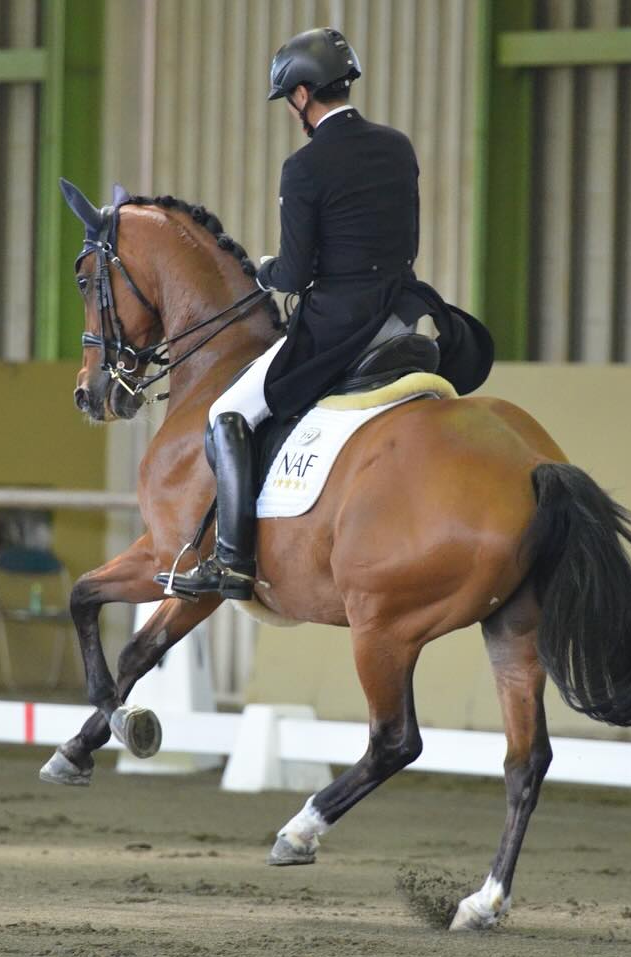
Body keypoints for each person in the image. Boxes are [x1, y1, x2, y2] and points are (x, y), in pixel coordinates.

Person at [159, 27, 483, 600]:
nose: (291, 110)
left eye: (290, 100)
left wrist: (263, 270)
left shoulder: (304, 168)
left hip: (339, 324)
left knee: (228, 412)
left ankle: (232, 561)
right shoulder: (397, 146)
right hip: (403, 314)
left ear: (303, 95)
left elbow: (296, 272)